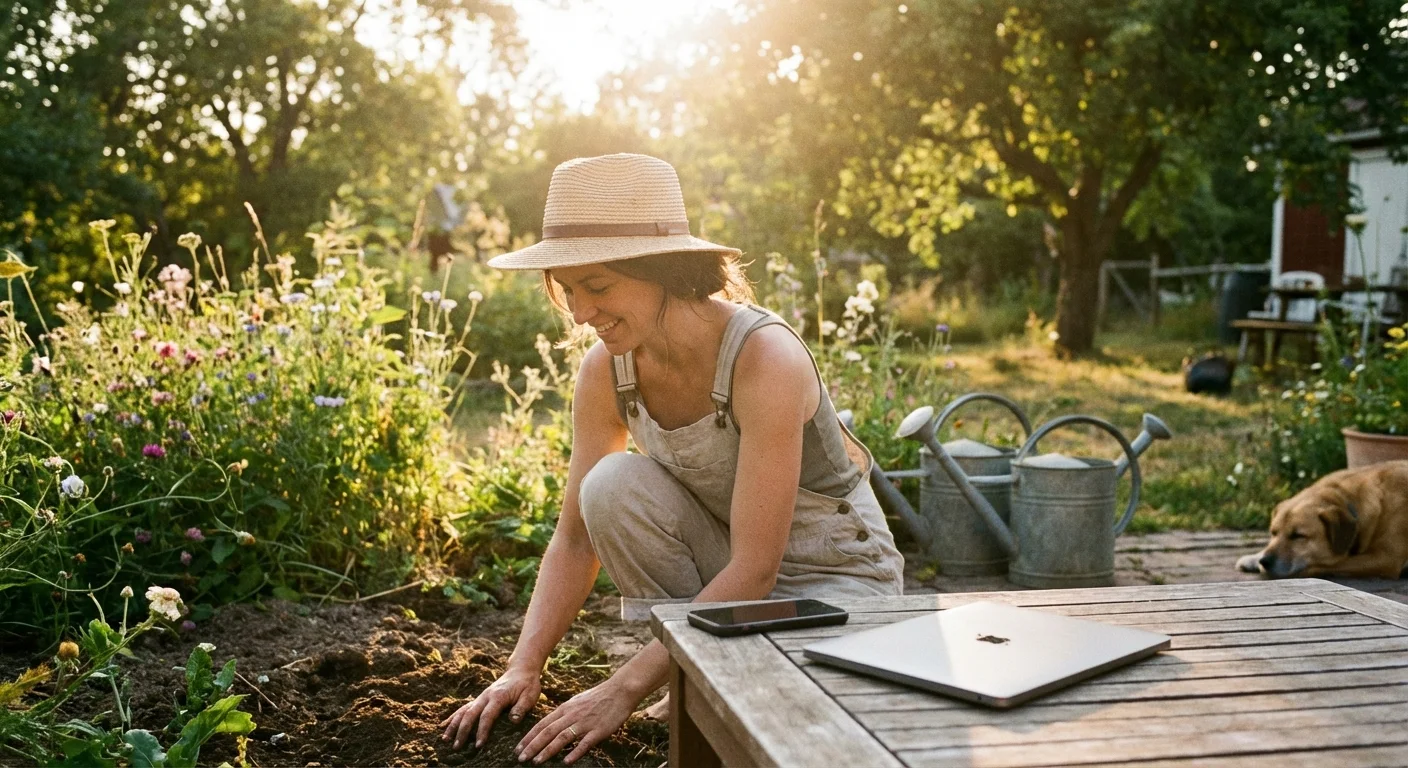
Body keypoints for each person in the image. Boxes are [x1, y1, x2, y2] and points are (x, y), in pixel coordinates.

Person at [439, 153, 904, 764]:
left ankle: (695, 673)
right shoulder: (609, 369)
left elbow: (757, 570)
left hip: (838, 584)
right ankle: (697, 670)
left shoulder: (764, 359)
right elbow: (576, 540)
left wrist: (622, 690)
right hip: (735, 577)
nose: (580, 313)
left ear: (665, 270)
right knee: (609, 486)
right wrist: (520, 668)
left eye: (598, 287)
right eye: (569, 290)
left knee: (786, 711)